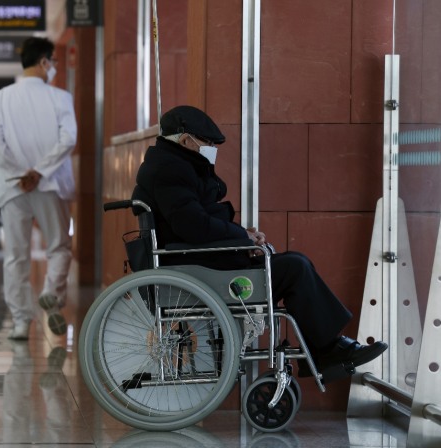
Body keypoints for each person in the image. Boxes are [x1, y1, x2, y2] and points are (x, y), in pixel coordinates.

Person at [131, 105, 388, 377]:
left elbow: (195, 222)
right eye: (207, 143)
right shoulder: (171, 170)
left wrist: (243, 235)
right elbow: (194, 226)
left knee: (294, 264)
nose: (211, 149)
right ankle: (326, 351)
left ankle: (326, 350)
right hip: (199, 267)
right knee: (295, 267)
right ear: (185, 140)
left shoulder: (171, 165)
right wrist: (241, 237)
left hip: (201, 260)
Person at [0, 36, 77, 340]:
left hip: (13, 187)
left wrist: (20, 173)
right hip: (51, 184)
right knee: (59, 246)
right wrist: (39, 171)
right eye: (53, 62)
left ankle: (21, 322)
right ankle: (51, 295)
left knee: (16, 255)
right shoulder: (60, 97)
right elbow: (69, 140)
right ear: (44, 62)